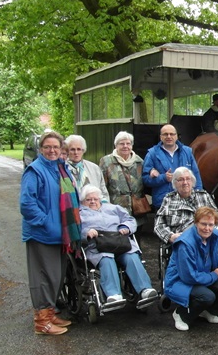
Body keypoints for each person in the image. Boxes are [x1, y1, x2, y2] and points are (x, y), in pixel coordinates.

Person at [20, 131, 77, 335]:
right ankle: (41, 322)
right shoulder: (35, 171)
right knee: (44, 277)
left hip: (61, 235)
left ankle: (50, 313)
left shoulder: (60, 168)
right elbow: (27, 204)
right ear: (41, 149)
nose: (52, 151)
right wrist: (46, 223)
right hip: (42, 234)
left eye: (56, 147)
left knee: (56, 276)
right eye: (47, 147)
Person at [79, 185, 158, 307]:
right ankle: (114, 295)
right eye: (88, 200)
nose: (93, 202)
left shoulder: (113, 208)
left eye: (95, 199)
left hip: (120, 243)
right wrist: (87, 232)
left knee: (131, 255)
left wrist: (125, 227)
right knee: (106, 257)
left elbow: (130, 220)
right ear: (83, 201)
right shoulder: (80, 214)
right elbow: (76, 231)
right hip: (97, 247)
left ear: (100, 199)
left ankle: (145, 290)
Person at [164, 207, 218, 331]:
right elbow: (189, 277)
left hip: (202, 275)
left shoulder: (214, 236)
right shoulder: (185, 244)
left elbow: (217, 253)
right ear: (196, 222)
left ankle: (206, 311)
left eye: (211, 225)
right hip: (179, 281)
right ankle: (181, 314)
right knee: (207, 296)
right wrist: (213, 275)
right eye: (203, 224)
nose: (207, 228)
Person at [154, 166, 218, 252]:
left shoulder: (204, 196)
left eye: (188, 179)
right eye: (181, 179)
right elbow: (158, 224)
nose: (185, 182)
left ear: (192, 181)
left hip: (207, 238)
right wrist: (170, 236)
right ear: (175, 183)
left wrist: (210, 233)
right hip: (183, 241)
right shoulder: (169, 199)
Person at [142, 124, 203, 210]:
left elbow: (196, 176)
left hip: (187, 202)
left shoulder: (187, 152)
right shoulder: (152, 154)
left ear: (177, 136)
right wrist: (163, 178)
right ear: (160, 137)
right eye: (165, 134)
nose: (169, 136)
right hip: (163, 204)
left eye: (172, 134)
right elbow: (145, 180)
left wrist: (198, 196)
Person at [98, 131, 146, 224]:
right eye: (122, 144)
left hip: (137, 210)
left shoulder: (139, 162)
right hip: (116, 209)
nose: (125, 146)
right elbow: (101, 185)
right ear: (116, 145)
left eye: (128, 143)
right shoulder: (106, 161)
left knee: (137, 237)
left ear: (132, 145)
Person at [64, 134, 109, 203]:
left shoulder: (94, 168)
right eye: (72, 149)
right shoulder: (62, 168)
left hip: (94, 210)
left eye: (79, 149)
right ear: (67, 151)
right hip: (72, 208)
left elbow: (103, 193)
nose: (76, 152)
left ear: (83, 150)